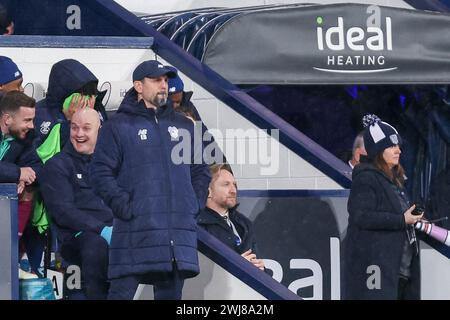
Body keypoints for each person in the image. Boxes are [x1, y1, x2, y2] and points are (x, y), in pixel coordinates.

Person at [90, 60, 211, 300]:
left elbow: (201, 171)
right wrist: (126, 206)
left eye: (165, 80)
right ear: (138, 85)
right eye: (156, 80)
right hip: (135, 230)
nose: (163, 86)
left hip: (176, 234)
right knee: (120, 295)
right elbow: (100, 172)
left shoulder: (185, 126)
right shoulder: (118, 126)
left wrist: (192, 205)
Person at [343, 114, 423, 300]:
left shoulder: (393, 180)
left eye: (398, 146)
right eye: (392, 146)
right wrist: (402, 219)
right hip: (378, 272)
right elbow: (361, 216)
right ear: (378, 150)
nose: (398, 151)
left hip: (399, 271)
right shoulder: (366, 178)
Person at [40, 108, 113, 299]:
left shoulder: (113, 164)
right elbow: (64, 211)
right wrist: (102, 230)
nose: (79, 134)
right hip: (77, 237)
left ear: (100, 130)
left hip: (115, 231)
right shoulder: (57, 166)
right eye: (74, 128)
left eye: (86, 128)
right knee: (95, 245)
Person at [0, 91, 39, 279]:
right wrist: (16, 172)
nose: (31, 126)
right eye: (27, 120)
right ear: (7, 119)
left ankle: (9, 258)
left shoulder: (25, 137)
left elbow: (36, 165)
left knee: (29, 190)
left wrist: (24, 176)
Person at [198, 163, 265, 271]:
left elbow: (255, 260)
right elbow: (200, 272)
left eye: (234, 185)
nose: (233, 190)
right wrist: (237, 266)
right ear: (208, 191)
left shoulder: (245, 223)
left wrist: (262, 270)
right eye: (226, 184)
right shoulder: (197, 224)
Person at [34, 58, 107, 147]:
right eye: (80, 93)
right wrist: (72, 121)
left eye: (90, 93)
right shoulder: (39, 115)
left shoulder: (96, 106)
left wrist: (90, 117)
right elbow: (44, 154)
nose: (85, 100)